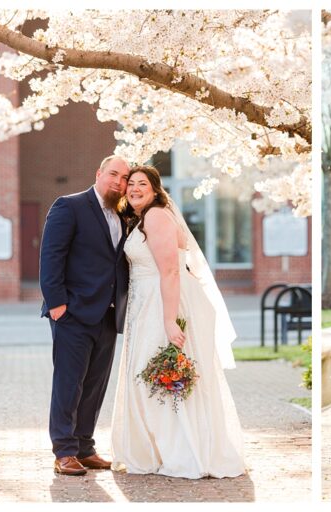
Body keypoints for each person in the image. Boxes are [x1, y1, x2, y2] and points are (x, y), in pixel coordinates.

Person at [110, 165, 245, 478]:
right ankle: (168, 449)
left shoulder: (156, 217)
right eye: (130, 185)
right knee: (154, 376)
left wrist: (170, 321)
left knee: (157, 375)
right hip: (150, 303)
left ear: (156, 190)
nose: (134, 189)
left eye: (142, 184)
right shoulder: (145, 218)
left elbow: (170, 271)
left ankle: (181, 452)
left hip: (162, 304)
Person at [39, 155, 131, 476]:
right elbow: (51, 257)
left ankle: (84, 447)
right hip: (73, 313)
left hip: (108, 315)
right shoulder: (70, 206)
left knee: (95, 384)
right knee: (69, 383)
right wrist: (57, 306)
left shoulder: (123, 216)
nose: (119, 183)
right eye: (114, 175)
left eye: (124, 178)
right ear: (99, 173)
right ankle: (63, 450)